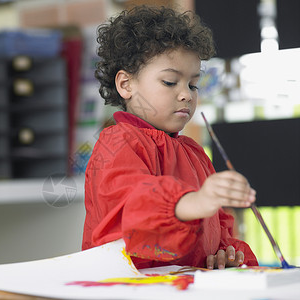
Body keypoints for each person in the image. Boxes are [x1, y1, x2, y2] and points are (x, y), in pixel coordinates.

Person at [82, 5, 259, 270]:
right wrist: (193, 202)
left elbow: (218, 225)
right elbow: (135, 202)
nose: (186, 95)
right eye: (169, 82)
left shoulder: (194, 152)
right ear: (126, 85)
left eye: (193, 84)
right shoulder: (119, 142)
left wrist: (224, 253)